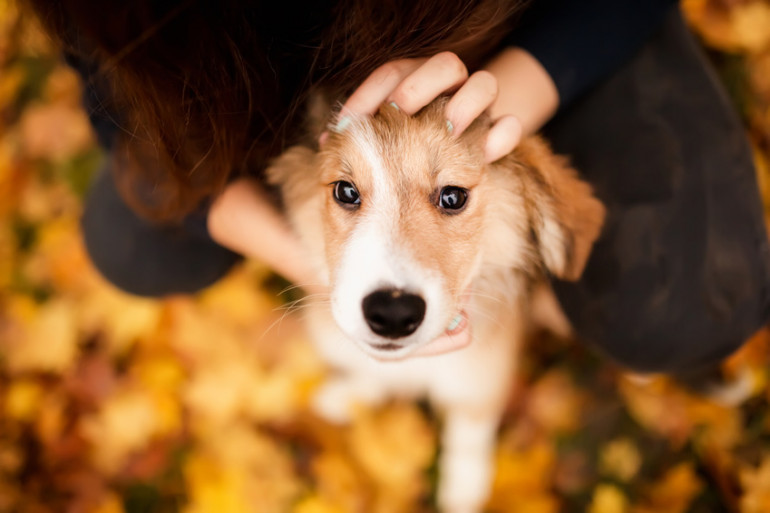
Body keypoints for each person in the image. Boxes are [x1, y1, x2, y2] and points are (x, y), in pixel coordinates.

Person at [29, 0, 770, 383]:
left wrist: (510, 95)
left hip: (540, 26)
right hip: (262, 84)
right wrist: (311, 261)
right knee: (133, 240)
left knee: (691, 297)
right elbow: (112, 92)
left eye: (449, 202)